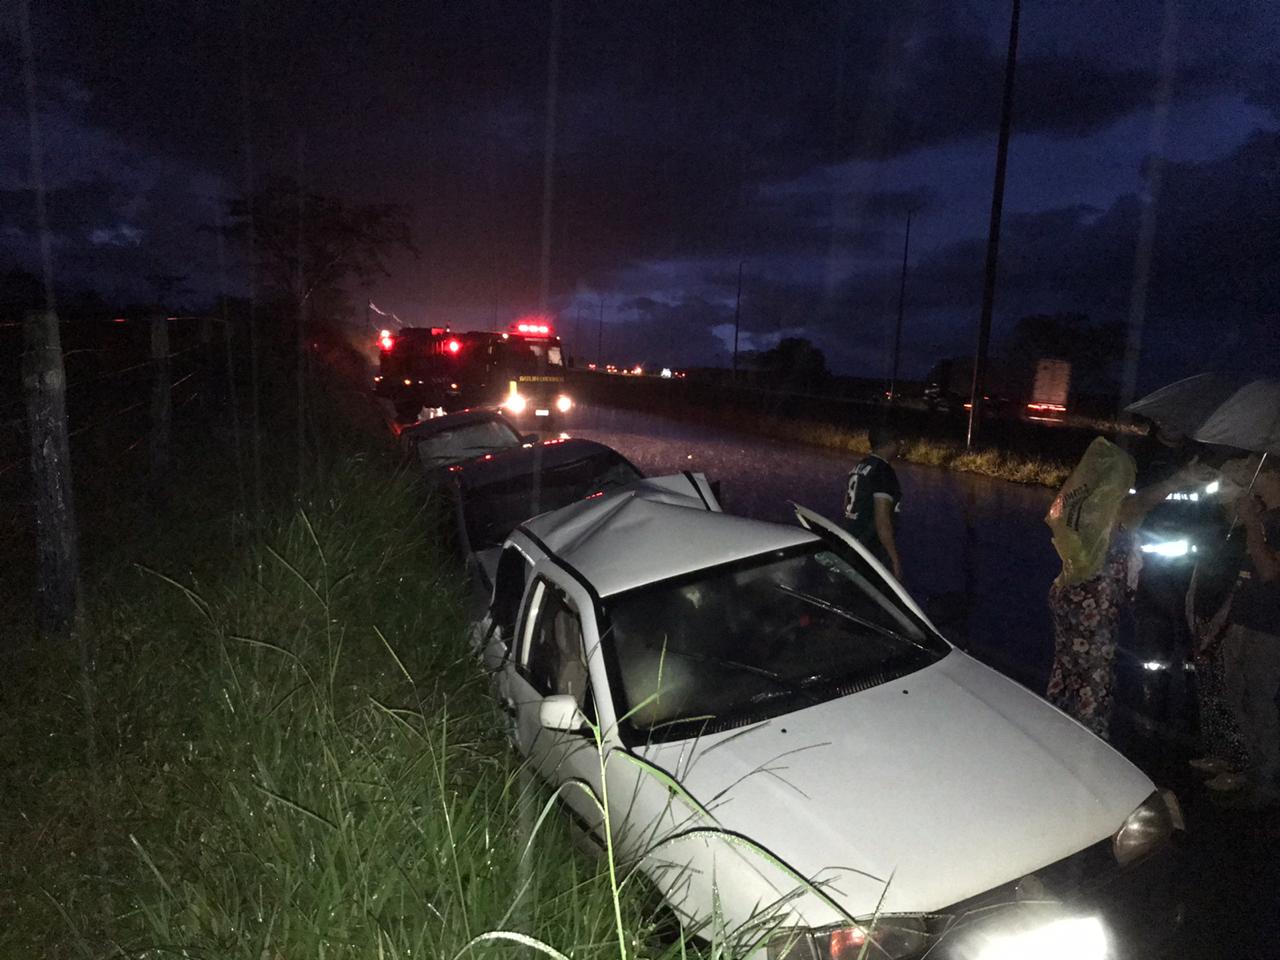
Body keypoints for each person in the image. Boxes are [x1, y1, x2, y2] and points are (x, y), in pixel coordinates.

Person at [1045, 438, 1211, 740]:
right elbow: (1140, 505)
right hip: (1095, 602)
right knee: (1095, 675)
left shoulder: (1080, 504)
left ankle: (1055, 732)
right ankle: (1086, 743)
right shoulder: (1112, 511)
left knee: (1067, 669)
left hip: (1068, 591)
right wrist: (1179, 480)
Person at [1219, 459, 1280, 807]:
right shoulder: (1264, 516)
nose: (1253, 476)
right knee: (1237, 693)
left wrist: (1253, 525)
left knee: (1259, 699)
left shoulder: (1275, 520)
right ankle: (1249, 765)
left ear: (1274, 475)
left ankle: (1265, 776)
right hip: (1245, 618)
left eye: (1260, 470)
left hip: (1268, 625)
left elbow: (1269, 571)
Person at [844, 423, 903, 579]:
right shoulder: (883, 472)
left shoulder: (859, 466)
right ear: (890, 443)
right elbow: (882, 520)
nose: (900, 446)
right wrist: (894, 559)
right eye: (899, 442)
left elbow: (847, 505)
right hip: (869, 549)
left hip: (850, 540)